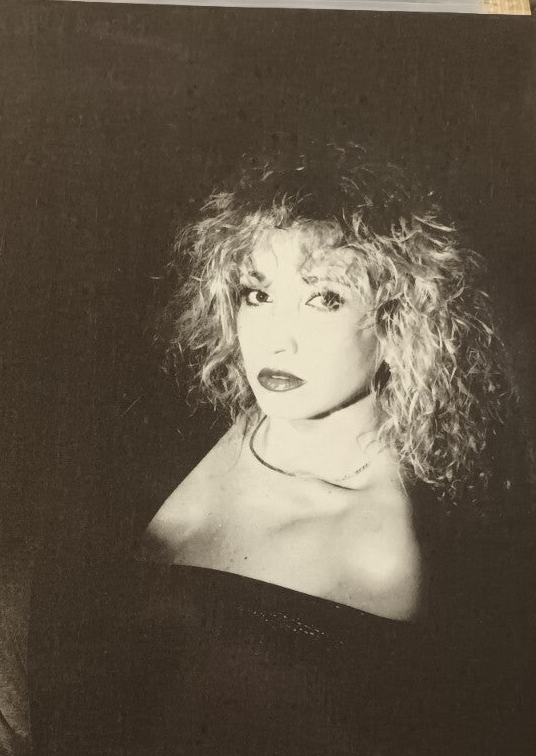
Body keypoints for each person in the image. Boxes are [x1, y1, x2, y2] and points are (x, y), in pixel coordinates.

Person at [144, 150, 514, 622]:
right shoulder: (194, 422)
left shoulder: (375, 559)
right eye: (258, 295)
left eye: (324, 299)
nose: (276, 341)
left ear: (399, 326)